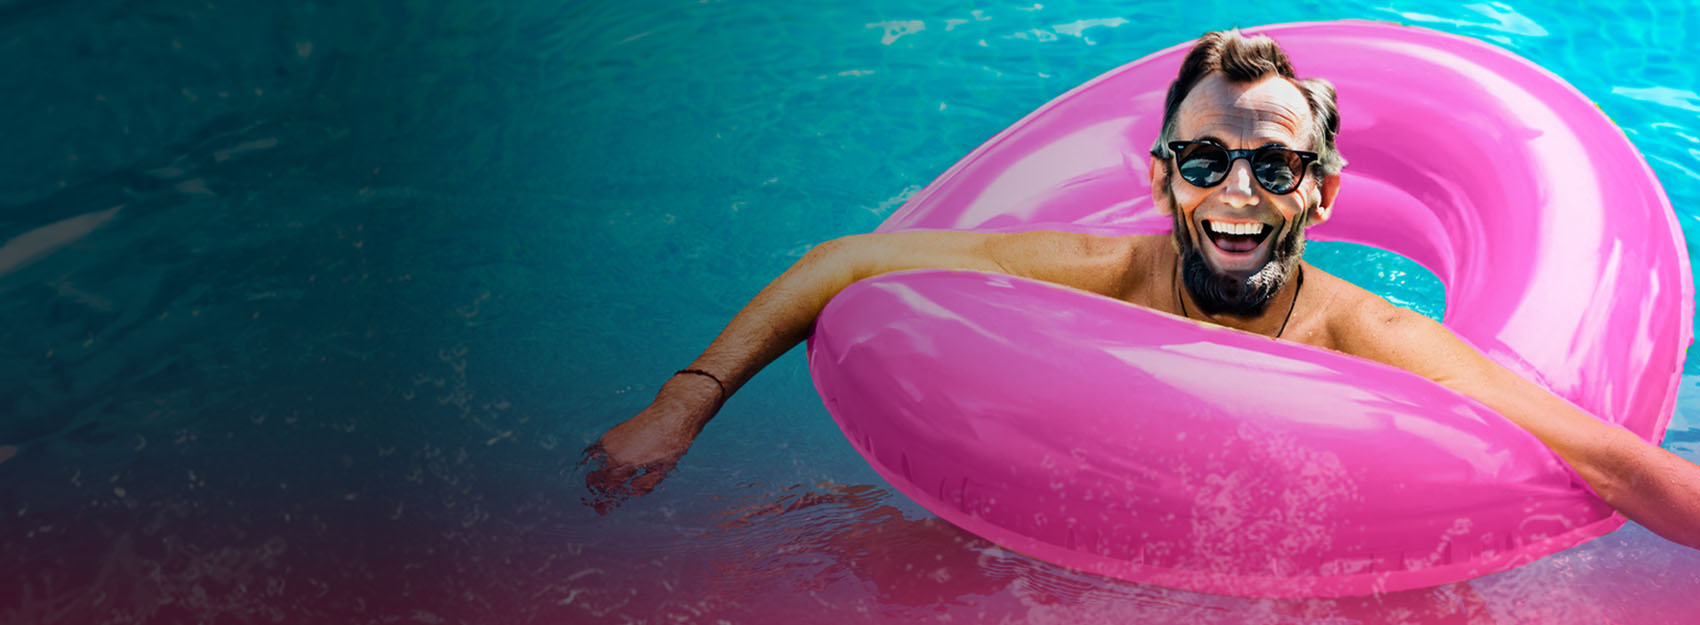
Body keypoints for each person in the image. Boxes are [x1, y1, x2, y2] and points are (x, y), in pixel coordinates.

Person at [585, 29, 1700, 549]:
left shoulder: (1365, 335)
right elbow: (844, 263)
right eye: (1205, 161)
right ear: (1162, 178)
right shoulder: (1097, 276)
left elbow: (1600, 454)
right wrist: (679, 406)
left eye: (1273, 165)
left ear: (1318, 195)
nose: (1237, 191)